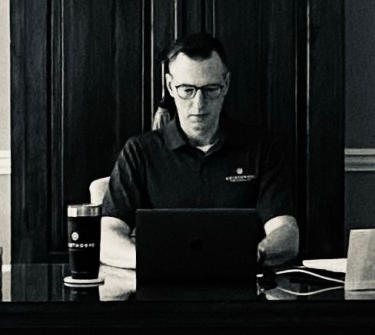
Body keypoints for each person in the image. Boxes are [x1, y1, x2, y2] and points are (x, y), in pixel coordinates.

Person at [100, 33, 299, 269]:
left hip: (239, 286)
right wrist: (157, 262)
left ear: (225, 85)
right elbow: (106, 237)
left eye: (210, 89)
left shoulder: (261, 148)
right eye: (187, 90)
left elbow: (287, 233)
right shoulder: (140, 151)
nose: (199, 104)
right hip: (160, 290)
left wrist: (253, 255)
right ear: (170, 86)